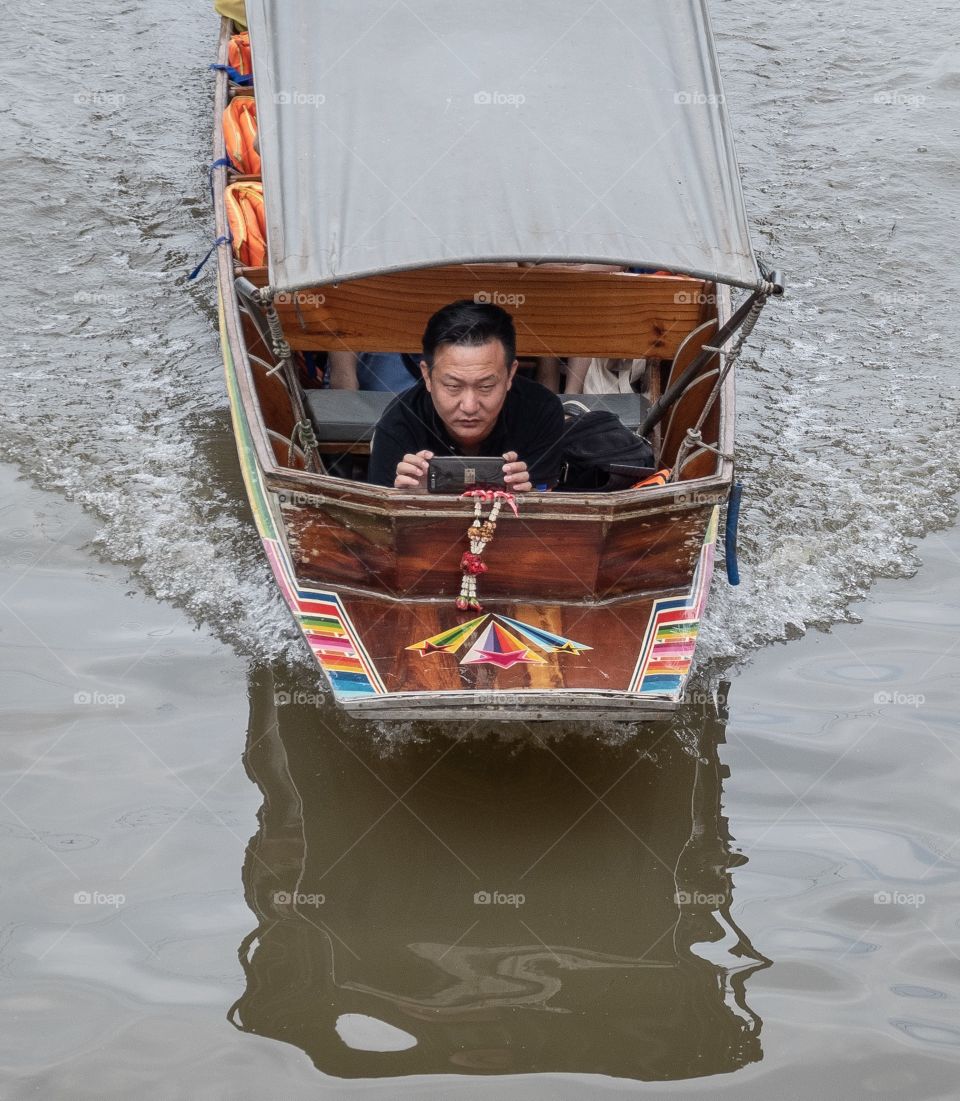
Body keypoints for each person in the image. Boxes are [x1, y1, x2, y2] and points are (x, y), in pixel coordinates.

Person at [367, 300, 564, 493]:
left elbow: (547, 504)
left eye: (486, 386)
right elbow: (375, 519)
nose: (469, 406)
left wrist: (525, 499)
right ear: (427, 376)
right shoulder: (399, 422)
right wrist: (409, 501)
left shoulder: (540, 412)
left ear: (510, 375)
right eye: (453, 386)